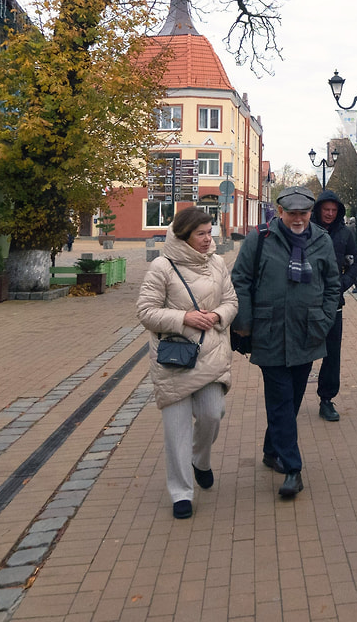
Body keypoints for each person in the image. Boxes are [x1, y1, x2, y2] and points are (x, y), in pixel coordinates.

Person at [231, 186, 341, 498]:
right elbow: (240, 279)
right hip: (269, 332)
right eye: (291, 213)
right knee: (280, 399)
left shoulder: (321, 240)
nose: (297, 219)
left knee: (291, 399)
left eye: (303, 213)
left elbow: (333, 284)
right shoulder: (261, 238)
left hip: (308, 331)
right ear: (280, 212)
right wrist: (245, 323)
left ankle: (271, 449)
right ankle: (293, 468)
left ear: (310, 213)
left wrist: (324, 318)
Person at [136, 207, 239, 520]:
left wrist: (219, 315)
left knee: (212, 414)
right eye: (201, 234)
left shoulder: (218, 263)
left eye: (210, 233)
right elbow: (146, 312)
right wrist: (183, 318)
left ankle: (200, 460)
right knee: (176, 431)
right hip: (174, 360)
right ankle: (181, 493)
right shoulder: (162, 267)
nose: (209, 240)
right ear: (184, 236)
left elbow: (231, 301)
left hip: (211, 354)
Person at [311, 189, 357, 422]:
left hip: (333, 304)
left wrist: (341, 286)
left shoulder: (345, 233)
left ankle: (327, 399)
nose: (329, 213)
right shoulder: (306, 231)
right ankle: (293, 394)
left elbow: (354, 263)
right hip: (307, 303)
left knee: (332, 353)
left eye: (333, 210)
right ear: (318, 209)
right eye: (325, 209)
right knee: (304, 349)